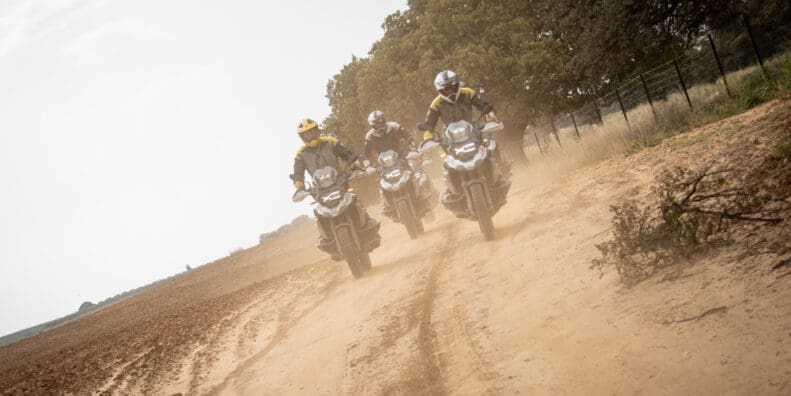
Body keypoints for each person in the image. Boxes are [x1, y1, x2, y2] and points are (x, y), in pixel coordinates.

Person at [417, 70, 511, 214]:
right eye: (446, 89)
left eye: (452, 87)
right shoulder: (436, 103)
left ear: (456, 84)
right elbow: (429, 124)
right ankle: (452, 190)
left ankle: (498, 176)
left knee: (489, 148)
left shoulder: (467, 92)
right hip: (450, 140)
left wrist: (490, 119)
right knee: (447, 164)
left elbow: (483, 106)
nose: (450, 91)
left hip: (472, 132)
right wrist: (428, 138)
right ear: (440, 90)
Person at [289, 118, 379, 258]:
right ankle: (326, 236)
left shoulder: (330, 141)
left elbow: (347, 154)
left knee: (354, 200)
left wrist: (354, 167)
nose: (310, 135)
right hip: (319, 190)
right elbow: (298, 173)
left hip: (340, 182)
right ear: (302, 137)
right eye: (306, 134)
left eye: (311, 131)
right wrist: (300, 188)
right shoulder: (300, 154)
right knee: (319, 213)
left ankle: (366, 222)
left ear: (317, 130)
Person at [364, 110, 433, 219]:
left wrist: (411, 145)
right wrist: (368, 165)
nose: (379, 124)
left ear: (384, 119)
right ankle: (387, 203)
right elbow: (366, 152)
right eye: (376, 123)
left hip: (400, 156)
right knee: (381, 181)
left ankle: (419, 191)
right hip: (383, 163)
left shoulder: (394, 126)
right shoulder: (369, 135)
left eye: (380, 120)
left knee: (410, 171)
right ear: (372, 124)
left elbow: (407, 135)